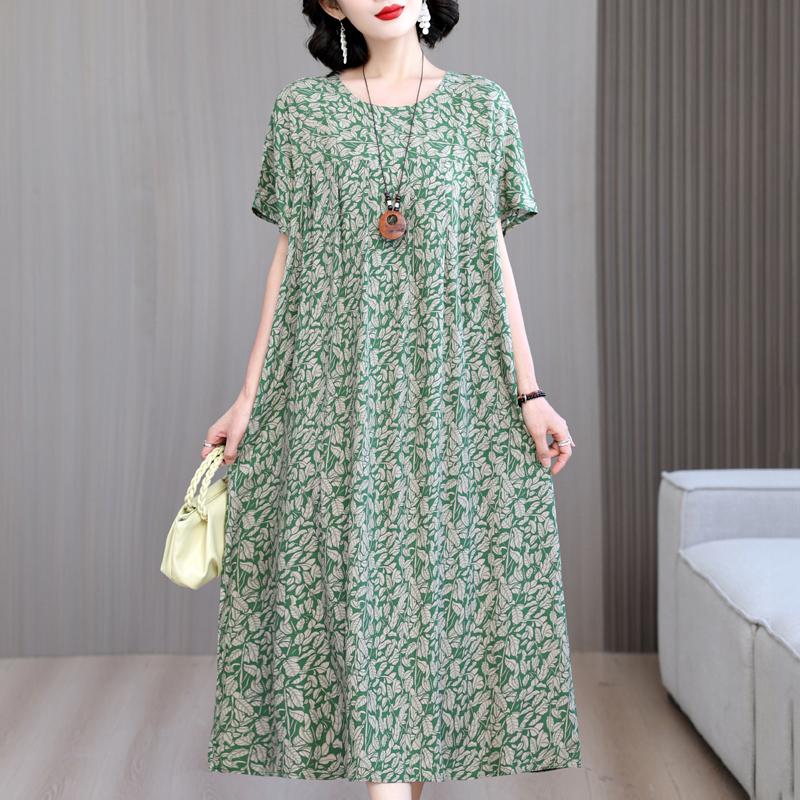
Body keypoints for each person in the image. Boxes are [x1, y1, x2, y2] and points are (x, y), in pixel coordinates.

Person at [204, 1, 582, 797]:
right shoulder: (302, 114)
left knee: (433, 606)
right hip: (337, 390)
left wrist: (531, 392)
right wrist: (247, 397)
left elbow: (493, 259)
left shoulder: (483, 108)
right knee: (362, 594)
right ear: (331, 4)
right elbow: (287, 260)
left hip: (454, 390)